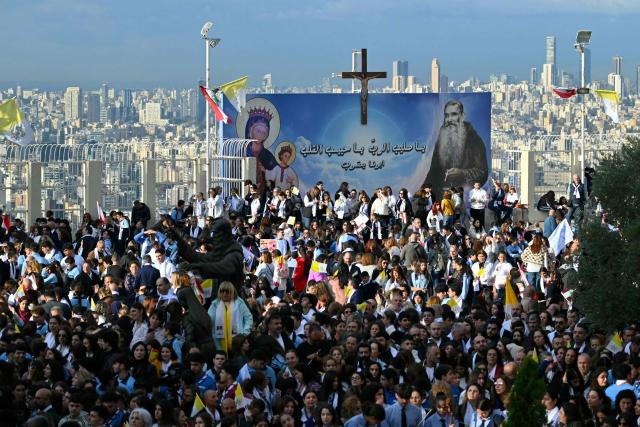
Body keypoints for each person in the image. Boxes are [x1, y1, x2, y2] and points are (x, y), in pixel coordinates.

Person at [423, 100, 489, 198]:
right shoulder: (442, 138)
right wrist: (423, 191)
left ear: (462, 116)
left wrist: (461, 173)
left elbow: (482, 172)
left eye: (454, 114)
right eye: (446, 115)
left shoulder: (474, 140)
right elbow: (434, 170)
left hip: (463, 196)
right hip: (441, 196)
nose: (449, 119)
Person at [208, 281, 253, 353]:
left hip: (237, 342)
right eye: (222, 291)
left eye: (227, 291)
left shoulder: (239, 303)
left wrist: (244, 333)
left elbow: (248, 318)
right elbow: (209, 320)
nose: (225, 293)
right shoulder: (215, 304)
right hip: (219, 341)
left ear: (232, 292)